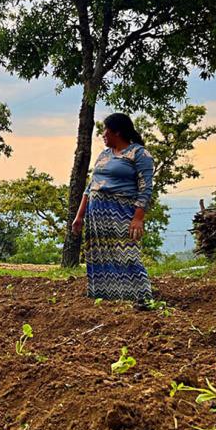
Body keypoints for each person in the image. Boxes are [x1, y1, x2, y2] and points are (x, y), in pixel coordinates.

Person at [72, 113, 154, 304]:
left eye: (105, 130)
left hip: (121, 211)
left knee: (126, 252)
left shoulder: (139, 154)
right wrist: (79, 215)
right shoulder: (104, 155)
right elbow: (90, 185)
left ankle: (142, 295)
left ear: (117, 131)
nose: (103, 134)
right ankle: (107, 295)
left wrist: (138, 217)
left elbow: (145, 188)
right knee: (99, 253)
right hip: (96, 213)